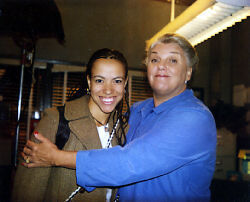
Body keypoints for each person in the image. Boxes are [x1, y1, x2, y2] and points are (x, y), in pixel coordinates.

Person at [22, 33, 217, 201]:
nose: (161, 66)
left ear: (189, 72)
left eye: (172, 60)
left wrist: (56, 157)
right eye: (155, 59)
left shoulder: (194, 119)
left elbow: (129, 163)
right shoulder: (136, 112)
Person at [12, 48, 130, 202]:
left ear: (125, 83)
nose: (108, 90)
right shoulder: (56, 119)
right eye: (99, 80)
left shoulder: (125, 128)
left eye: (117, 81)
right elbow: (27, 190)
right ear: (89, 81)